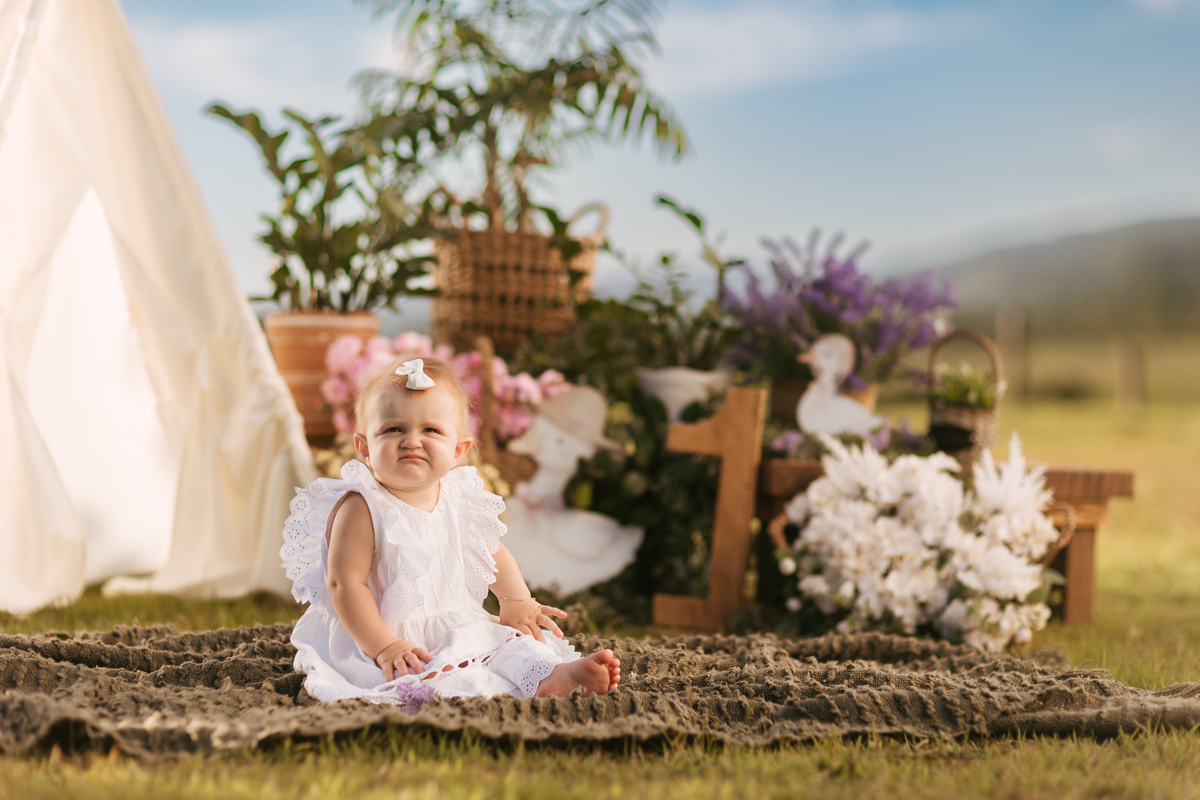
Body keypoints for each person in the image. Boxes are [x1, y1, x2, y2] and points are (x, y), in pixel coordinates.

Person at [281, 355, 621, 705]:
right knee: (426, 673)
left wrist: (516, 600)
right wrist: (385, 646)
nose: (411, 441)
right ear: (365, 448)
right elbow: (345, 585)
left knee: (508, 642)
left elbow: (490, 551)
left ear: (458, 450)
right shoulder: (361, 507)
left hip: (455, 621)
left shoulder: (458, 498)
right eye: (393, 429)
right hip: (377, 632)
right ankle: (461, 689)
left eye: (430, 430)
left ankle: (552, 675)